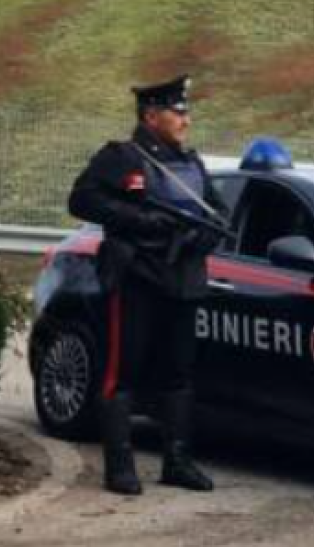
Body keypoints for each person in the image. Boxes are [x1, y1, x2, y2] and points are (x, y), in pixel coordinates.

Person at [67, 74, 226, 496]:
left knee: (178, 374)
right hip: (137, 279)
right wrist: (139, 220)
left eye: (186, 111)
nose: (185, 120)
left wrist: (198, 238)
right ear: (151, 115)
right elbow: (81, 199)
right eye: (178, 112)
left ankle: (178, 461)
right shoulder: (123, 157)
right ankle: (120, 466)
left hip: (183, 280)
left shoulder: (192, 166)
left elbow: (218, 216)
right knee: (123, 374)